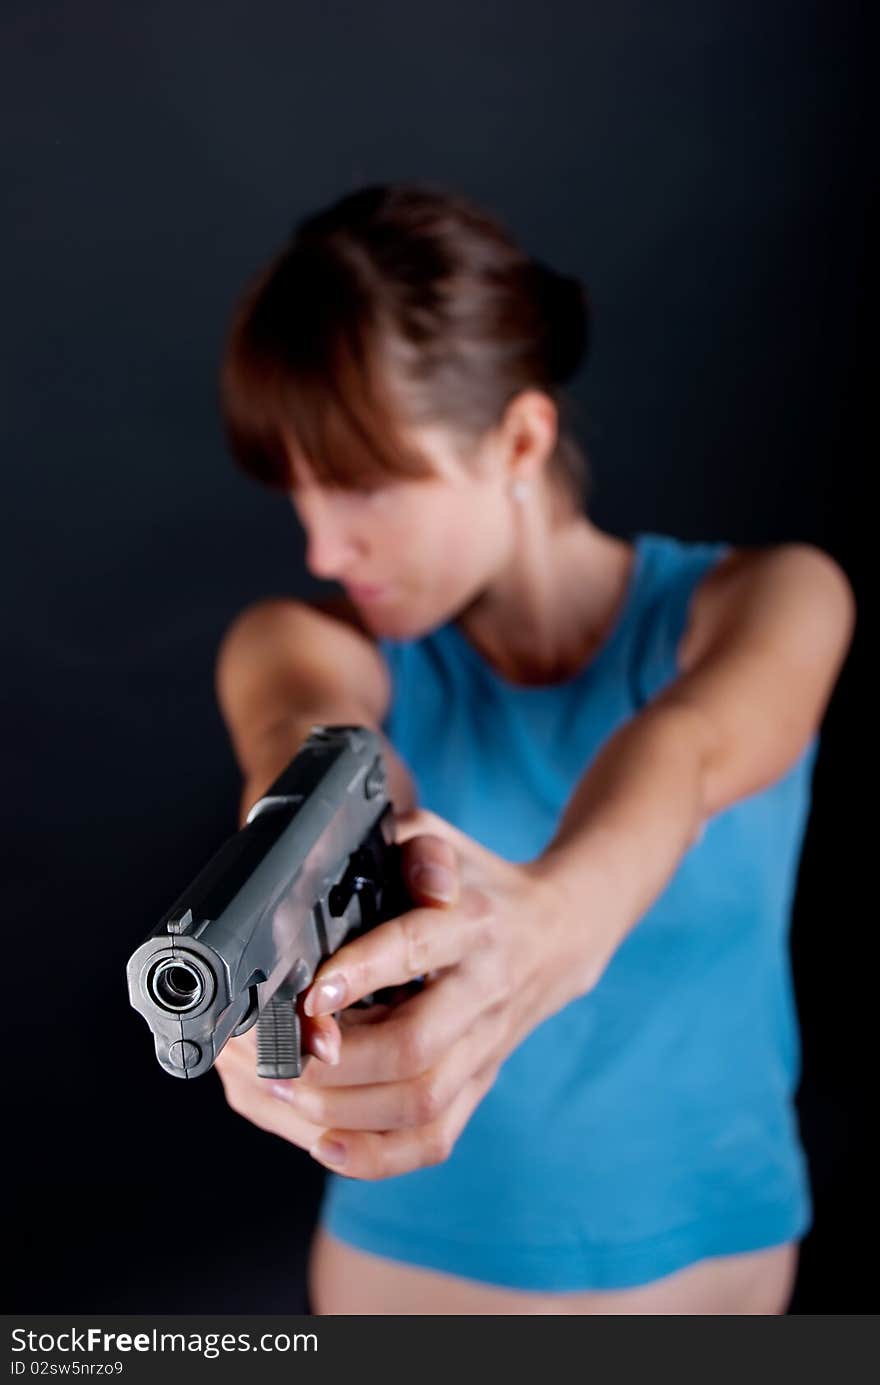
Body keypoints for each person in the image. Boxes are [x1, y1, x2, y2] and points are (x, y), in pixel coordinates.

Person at [211, 181, 855, 1314]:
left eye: (360, 482)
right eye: (300, 489)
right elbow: (312, 748)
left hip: (724, 1280)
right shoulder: (302, 642)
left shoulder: (777, 598)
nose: (320, 544)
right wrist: (278, 908)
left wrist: (549, 924)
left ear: (519, 437)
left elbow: (686, 750)